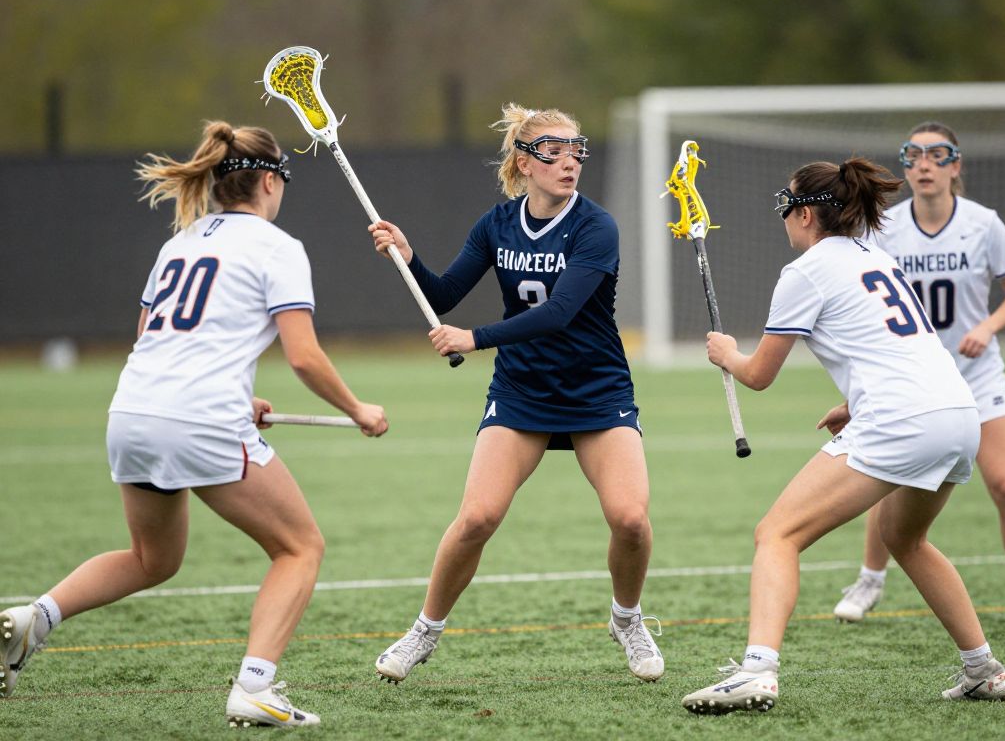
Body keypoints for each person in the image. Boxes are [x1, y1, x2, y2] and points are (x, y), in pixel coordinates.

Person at [0, 121, 388, 727]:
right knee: (299, 547)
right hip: (199, 418)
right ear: (267, 181)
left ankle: (34, 620)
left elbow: (151, 338)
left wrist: (243, 393)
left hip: (132, 410)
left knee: (153, 559)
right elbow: (306, 357)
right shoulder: (278, 247)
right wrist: (358, 409)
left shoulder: (178, 243)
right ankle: (255, 687)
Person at [681, 156, 1005, 715]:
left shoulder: (805, 271)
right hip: (958, 412)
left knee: (777, 534)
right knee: (904, 538)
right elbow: (899, 351)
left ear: (807, 214)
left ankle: (757, 671)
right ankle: (984, 668)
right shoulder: (876, 256)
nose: (783, 217)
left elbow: (759, 375)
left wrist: (725, 353)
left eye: (787, 205)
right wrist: (855, 404)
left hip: (904, 420)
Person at [366, 103, 662, 684]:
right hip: (522, 391)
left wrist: (475, 338)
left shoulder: (596, 226)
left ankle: (627, 619)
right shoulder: (496, 224)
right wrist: (408, 258)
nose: (570, 161)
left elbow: (559, 313)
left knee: (630, 518)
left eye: (577, 149)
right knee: (477, 517)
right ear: (524, 161)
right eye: (553, 150)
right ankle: (425, 629)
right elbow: (444, 293)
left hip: (596, 391)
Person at [832, 122, 1005, 623]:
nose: (923, 164)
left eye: (937, 155)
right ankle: (870, 579)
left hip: (976, 375)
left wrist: (987, 326)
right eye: (913, 155)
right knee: (890, 478)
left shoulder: (983, 224)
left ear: (955, 166)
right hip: (912, 379)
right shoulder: (885, 230)